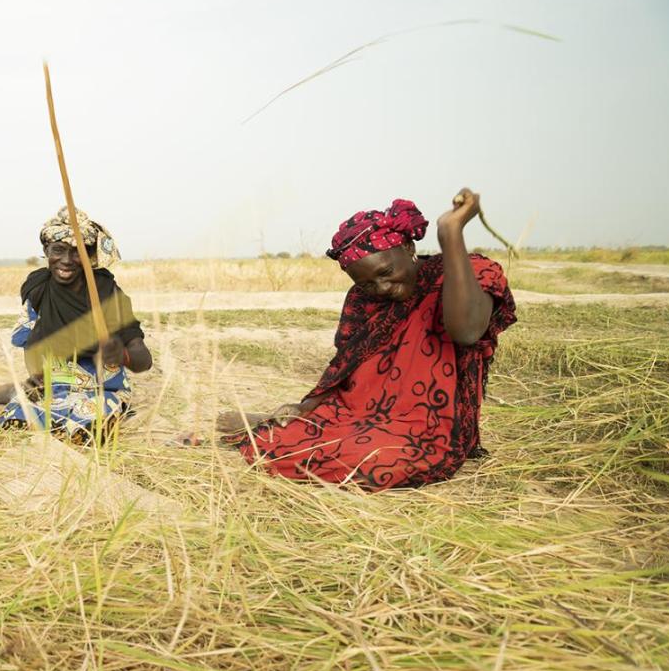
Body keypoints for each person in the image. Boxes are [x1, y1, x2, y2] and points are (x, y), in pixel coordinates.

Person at [218, 192, 517, 490]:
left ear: (409, 247)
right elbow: (347, 363)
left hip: (429, 430)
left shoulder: (472, 272)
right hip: (357, 413)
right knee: (287, 440)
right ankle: (269, 426)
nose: (382, 287)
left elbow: (466, 331)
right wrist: (306, 405)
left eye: (386, 272)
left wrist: (450, 234)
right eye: (367, 283)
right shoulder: (362, 299)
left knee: (376, 462)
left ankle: (271, 428)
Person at [0, 207, 153, 443]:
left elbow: (144, 362)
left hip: (102, 390)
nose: (67, 261)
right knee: (16, 414)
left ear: (90, 256)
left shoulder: (107, 293)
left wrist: (122, 355)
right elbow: (29, 343)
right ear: (46, 250)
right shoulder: (38, 289)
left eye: (77, 252)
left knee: (89, 422)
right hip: (55, 387)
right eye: (58, 250)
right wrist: (36, 376)